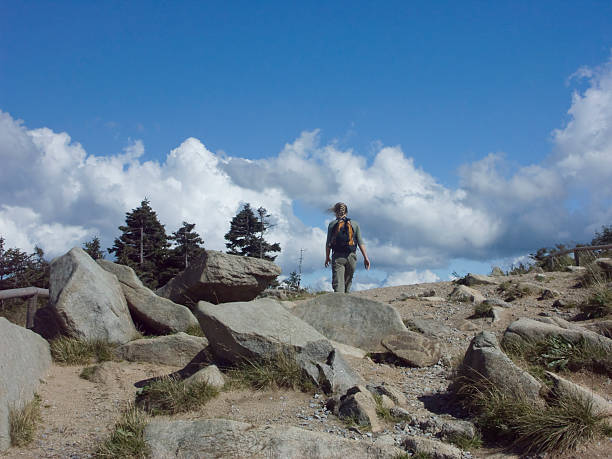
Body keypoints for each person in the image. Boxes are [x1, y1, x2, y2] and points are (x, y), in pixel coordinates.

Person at [324, 202, 370, 293]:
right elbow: (360, 242)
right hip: (351, 256)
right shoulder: (354, 224)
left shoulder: (332, 224)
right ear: (347, 212)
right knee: (347, 284)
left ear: (335, 212)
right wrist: (366, 258)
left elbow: (328, 243)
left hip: (337, 257)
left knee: (338, 285)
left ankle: (339, 304)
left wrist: (327, 257)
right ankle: (347, 300)